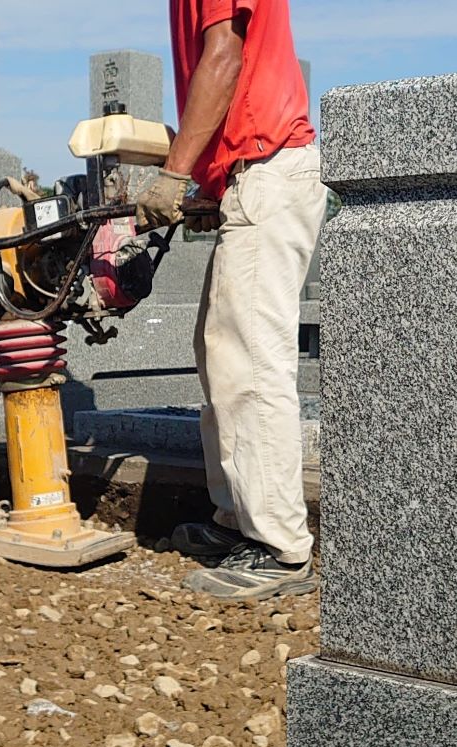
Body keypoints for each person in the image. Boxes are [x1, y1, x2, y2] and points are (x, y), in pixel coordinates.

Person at [134, 0, 325, 601]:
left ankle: (280, 547)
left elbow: (224, 55)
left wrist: (174, 174)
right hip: (251, 175)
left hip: (268, 167)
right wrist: (207, 183)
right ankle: (239, 520)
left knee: (252, 364)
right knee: (220, 353)